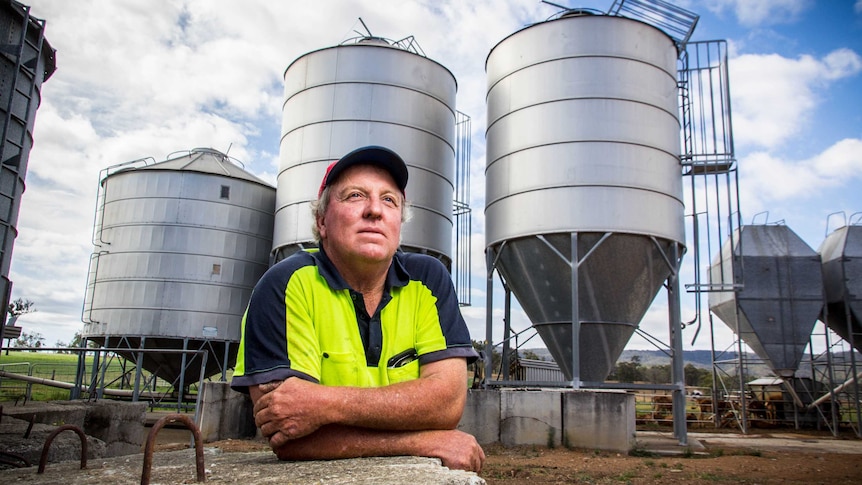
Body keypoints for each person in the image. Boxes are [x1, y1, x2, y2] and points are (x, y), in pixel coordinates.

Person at [230, 145, 485, 473]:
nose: (375, 210)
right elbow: (289, 435)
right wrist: (423, 440)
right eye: (355, 196)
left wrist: (323, 403)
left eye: (389, 200)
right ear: (322, 221)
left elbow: (448, 402)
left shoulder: (429, 279)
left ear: (398, 224)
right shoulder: (284, 286)